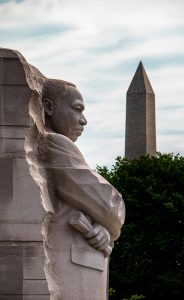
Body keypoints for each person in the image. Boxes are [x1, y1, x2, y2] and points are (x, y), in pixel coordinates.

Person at [27, 78, 125, 300]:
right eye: (77, 109)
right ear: (49, 107)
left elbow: (98, 209)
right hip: (71, 270)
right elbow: (109, 205)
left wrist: (105, 230)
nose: (84, 120)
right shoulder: (55, 143)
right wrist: (110, 221)